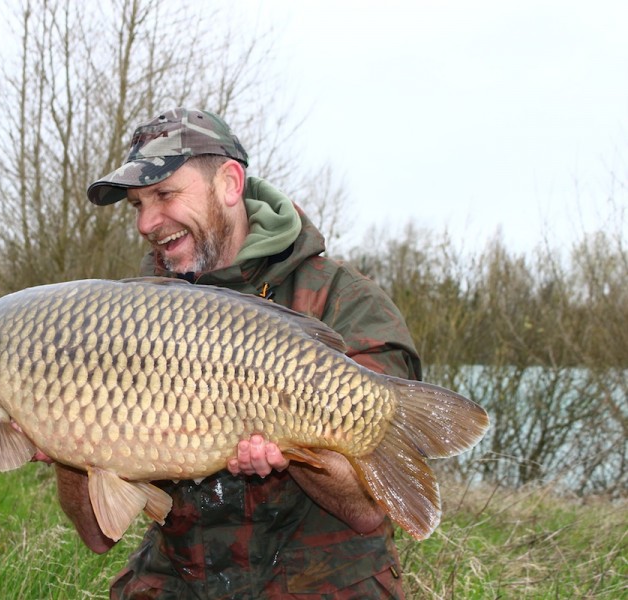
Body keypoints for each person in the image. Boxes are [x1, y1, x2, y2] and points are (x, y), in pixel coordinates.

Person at [55, 108, 421, 598]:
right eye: (137, 204)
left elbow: (366, 509)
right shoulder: (132, 319)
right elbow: (99, 537)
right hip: (183, 575)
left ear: (229, 184)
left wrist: (297, 449)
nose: (146, 222)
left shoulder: (345, 302)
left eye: (165, 194)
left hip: (322, 578)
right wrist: (65, 438)